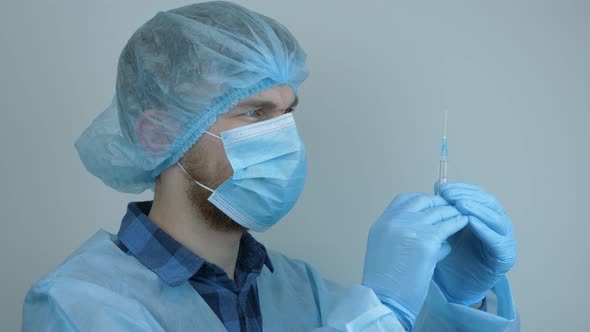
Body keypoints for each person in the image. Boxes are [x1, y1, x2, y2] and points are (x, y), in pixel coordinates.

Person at [22, 2, 519, 331]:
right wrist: (381, 311)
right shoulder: (79, 306)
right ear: (159, 132)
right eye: (254, 113)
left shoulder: (298, 287)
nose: (284, 138)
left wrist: (461, 301)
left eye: (288, 114)